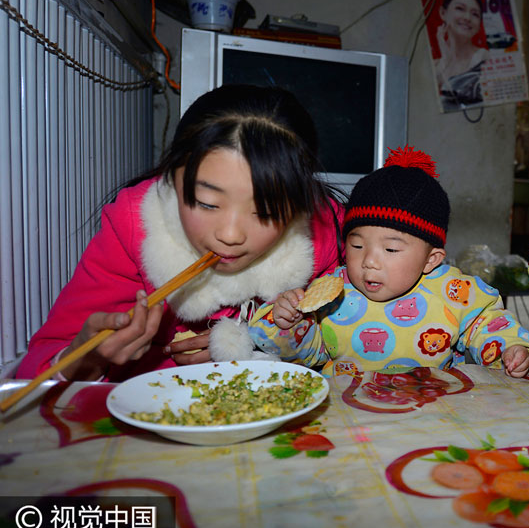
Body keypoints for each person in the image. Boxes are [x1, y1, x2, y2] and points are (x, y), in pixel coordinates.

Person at [17, 85, 345, 382]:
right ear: (172, 178)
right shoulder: (135, 228)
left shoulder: (323, 232)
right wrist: (88, 357)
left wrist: (257, 342)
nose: (230, 235)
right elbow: (33, 376)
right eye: (207, 203)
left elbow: (355, 338)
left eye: (267, 212)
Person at [249, 146, 529, 377]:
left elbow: (486, 323)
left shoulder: (453, 292)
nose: (369, 261)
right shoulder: (333, 292)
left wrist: (509, 348)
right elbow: (307, 353)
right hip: (348, 413)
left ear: (431, 260)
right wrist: (287, 322)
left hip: (431, 410)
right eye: (357, 245)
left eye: (390, 249)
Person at [434, 0, 487, 108]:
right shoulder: (435, 65)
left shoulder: (485, 59)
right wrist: (447, 59)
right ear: (443, 13)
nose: (467, 18)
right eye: (460, 8)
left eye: (475, 14)